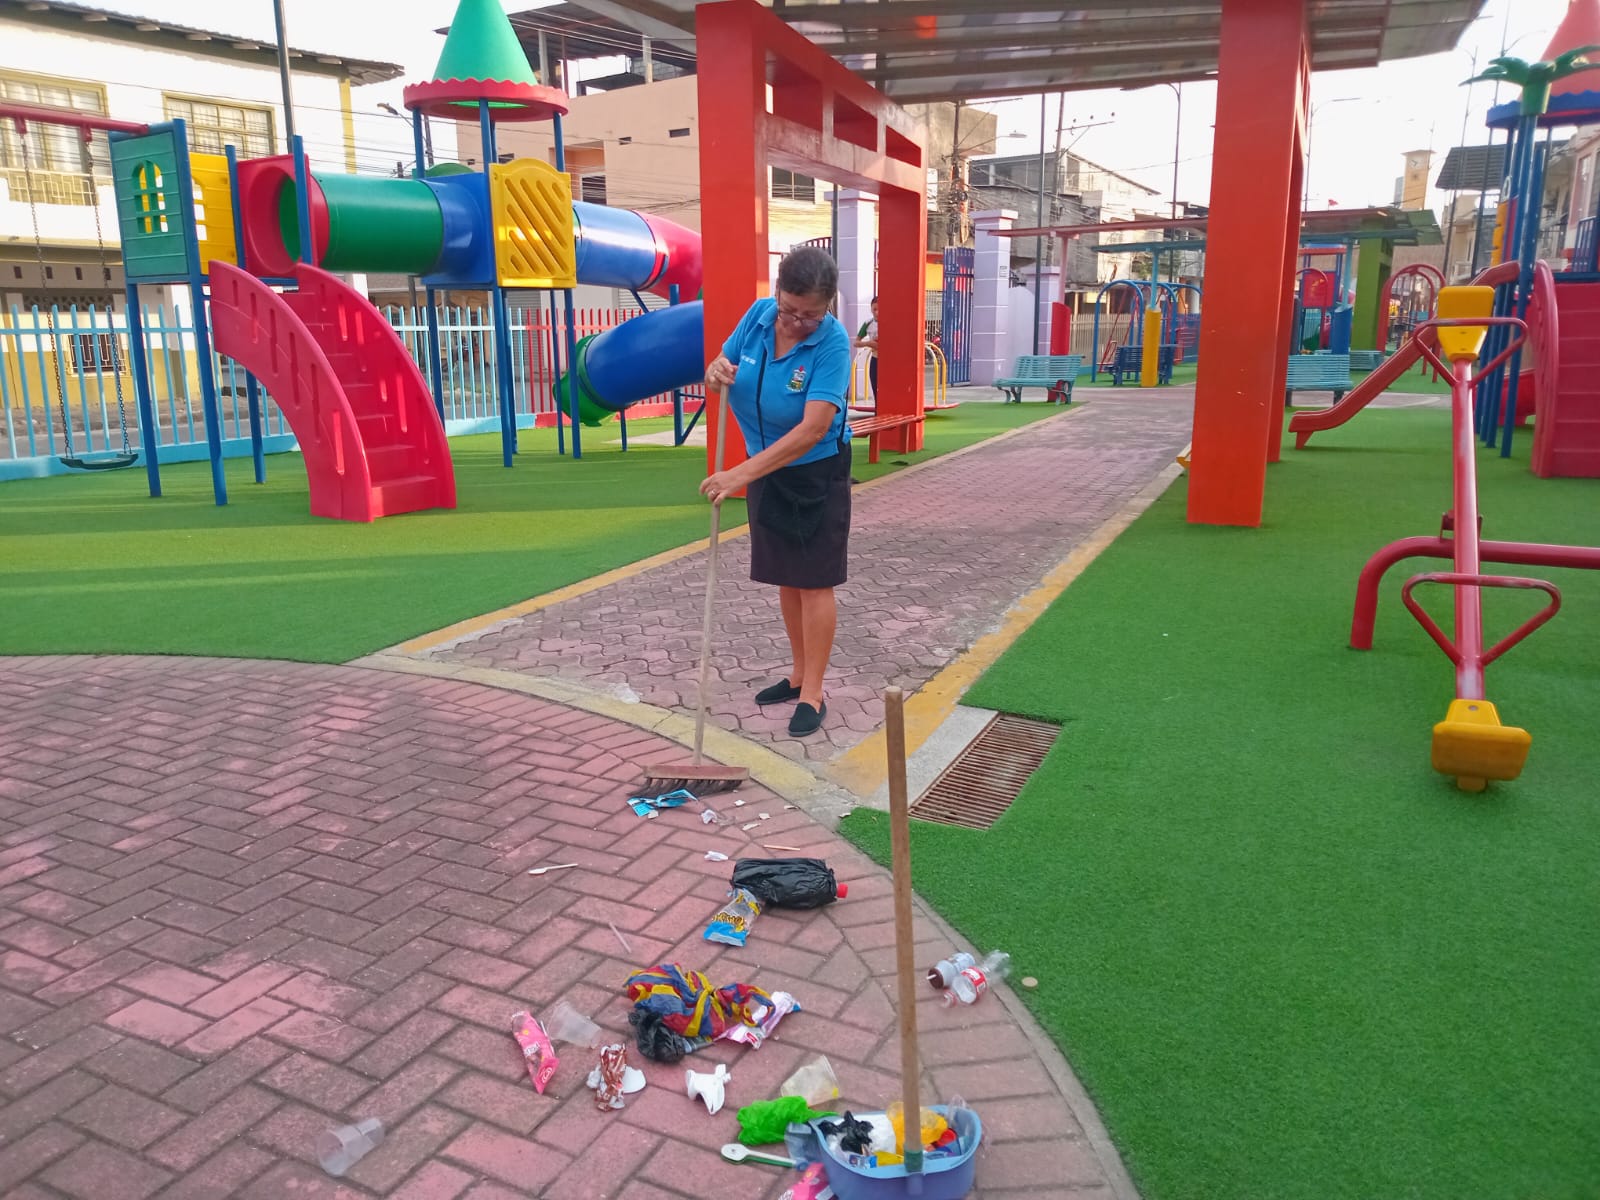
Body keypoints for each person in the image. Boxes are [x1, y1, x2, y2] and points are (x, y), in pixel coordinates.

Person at [702, 246, 853, 738]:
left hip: (814, 470)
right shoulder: (759, 316)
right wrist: (716, 371)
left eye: (811, 315)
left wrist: (740, 475)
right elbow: (721, 365)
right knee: (788, 576)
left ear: (828, 306)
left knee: (814, 580)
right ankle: (798, 674)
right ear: (777, 293)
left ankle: (814, 693)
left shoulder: (832, 344)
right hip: (766, 466)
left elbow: (813, 429)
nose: (796, 323)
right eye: (790, 310)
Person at [854, 295, 879, 403]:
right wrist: (868, 343)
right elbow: (856, 342)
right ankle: (877, 409)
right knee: (875, 388)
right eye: (874, 309)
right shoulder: (868, 323)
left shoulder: (890, 321)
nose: (877, 312)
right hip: (875, 359)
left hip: (889, 360)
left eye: (880, 309)